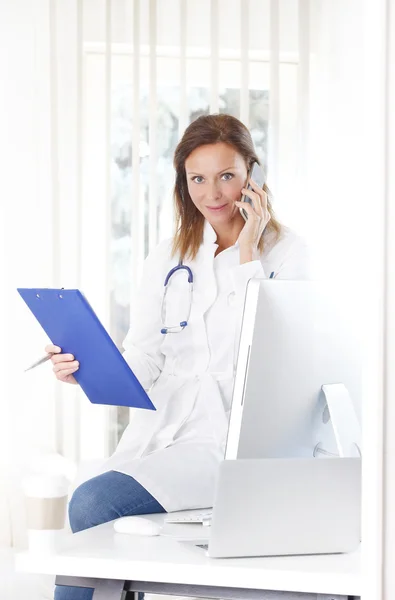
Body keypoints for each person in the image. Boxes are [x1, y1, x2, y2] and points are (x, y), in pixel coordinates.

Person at [50, 114, 310, 599]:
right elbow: (147, 357)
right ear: (182, 182)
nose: (212, 193)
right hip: (162, 431)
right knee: (95, 515)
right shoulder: (169, 255)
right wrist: (89, 370)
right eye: (197, 178)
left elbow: (273, 356)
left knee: (94, 502)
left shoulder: (289, 256)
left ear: (253, 175)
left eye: (227, 176)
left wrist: (249, 252)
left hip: (229, 442)